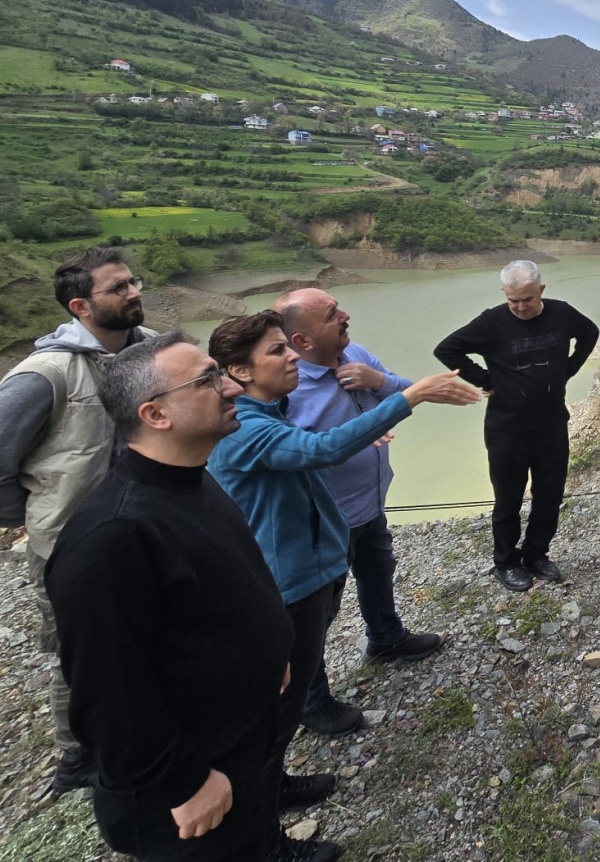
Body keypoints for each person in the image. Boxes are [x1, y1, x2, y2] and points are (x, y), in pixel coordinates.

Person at [44, 331, 337, 862]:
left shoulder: (191, 480)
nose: (230, 387)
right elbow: (107, 694)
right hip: (187, 789)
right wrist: (184, 783)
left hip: (237, 739)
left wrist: (272, 658)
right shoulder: (113, 536)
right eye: (207, 380)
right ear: (156, 415)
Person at [206, 311, 480, 816]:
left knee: (293, 671)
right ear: (239, 372)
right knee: (279, 694)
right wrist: (411, 396)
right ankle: (261, 816)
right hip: (285, 576)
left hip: (313, 560)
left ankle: (273, 782)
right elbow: (322, 448)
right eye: (277, 351)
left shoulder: (268, 408)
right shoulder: (244, 426)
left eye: (289, 347)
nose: (291, 356)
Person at [0, 246, 151, 794]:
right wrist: (36, 516)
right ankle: (77, 756)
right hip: (70, 544)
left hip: (148, 530)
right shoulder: (44, 375)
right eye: (119, 288)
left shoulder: (153, 352)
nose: (134, 292)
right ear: (80, 306)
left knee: (151, 632)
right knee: (76, 649)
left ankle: (147, 727)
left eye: (134, 282)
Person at [273, 287, 443, 738]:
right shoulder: (284, 388)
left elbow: (405, 394)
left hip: (369, 503)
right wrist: (357, 432)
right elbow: (298, 452)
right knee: (317, 612)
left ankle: (385, 638)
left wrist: (378, 381)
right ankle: (311, 701)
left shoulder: (355, 354)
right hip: (324, 520)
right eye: (332, 315)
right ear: (302, 342)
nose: (345, 316)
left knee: (378, 568)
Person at [434, 259, 598, 592]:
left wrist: (568, 369)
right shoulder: (492, 323)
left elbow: (590, 333)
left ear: (541, 290)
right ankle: (506, 563)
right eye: (513, 301)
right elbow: (447, 349)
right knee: (508, 500)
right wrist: (484, 378)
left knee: (549, 495)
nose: (520, 307)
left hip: (552, 425)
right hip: (507, 429)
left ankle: (536, 555)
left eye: (527, 299)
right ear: (505, 295)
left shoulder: (561, 314)